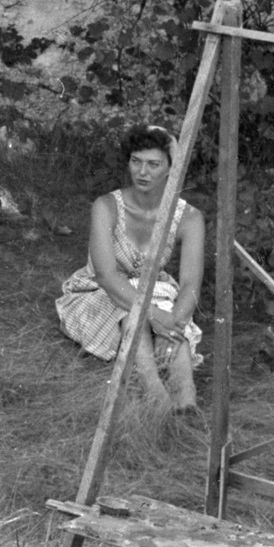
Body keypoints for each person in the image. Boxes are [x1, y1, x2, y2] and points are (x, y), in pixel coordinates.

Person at [55, 125, 206, 411]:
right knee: (134, 320)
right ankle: (156, 395)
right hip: (101, 294)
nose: (142, 172)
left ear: (171, 168)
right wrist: (155, 317)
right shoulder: (107, 206)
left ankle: (187, 401)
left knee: (176, 328)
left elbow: (190, 284)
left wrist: (173, 324)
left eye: (153, 164)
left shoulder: (189, 217)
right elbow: (106, 275)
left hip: (155, 292)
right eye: (136, 161)